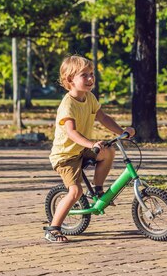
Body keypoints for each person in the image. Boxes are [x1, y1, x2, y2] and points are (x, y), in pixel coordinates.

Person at [44, 55, 135, 243]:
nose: (90, 79)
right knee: (75, 192)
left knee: (108, 150)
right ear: (70, 80)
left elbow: (103, 117)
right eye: (84, 75)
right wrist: (91, 144)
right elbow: (71, 132)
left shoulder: (90, 98)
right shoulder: (67, 104)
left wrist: (122, 131)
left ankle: (98, 188)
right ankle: (53, 229)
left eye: (92, 74)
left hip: (81, 149)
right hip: (65, 155)